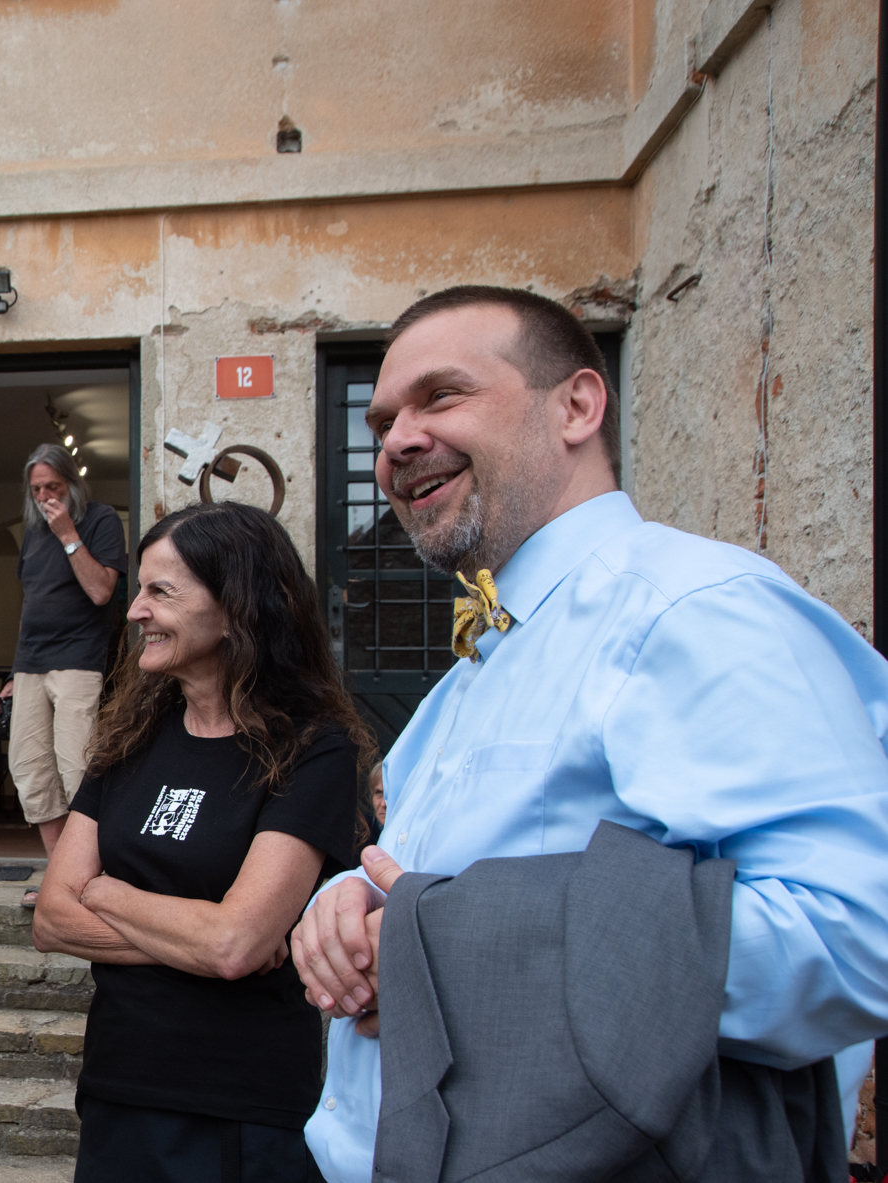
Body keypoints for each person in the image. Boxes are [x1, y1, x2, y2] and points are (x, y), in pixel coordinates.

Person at [293, 286, 888, 1180]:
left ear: (577, 405)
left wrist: (441, 950)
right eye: (383, 421)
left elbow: (854, 936)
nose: (396, 441)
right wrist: (342, 908)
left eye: (441, 397)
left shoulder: (693, 610)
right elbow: (435, 881)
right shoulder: (469, 676)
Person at [33, 501, 368, 1182]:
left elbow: (235, 943)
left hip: (241, 1109)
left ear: (237, 606)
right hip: (118, 1092)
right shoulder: (127, 741)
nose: (134, 611)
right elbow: (51, 916)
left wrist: (104, 891)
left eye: (161, 591)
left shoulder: (314, 749)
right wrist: (207, 936)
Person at [0, 444, 127, 904]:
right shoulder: (32, 534)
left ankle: (93, 878)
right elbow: (29, 607)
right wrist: (14, 672)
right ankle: (61, 877)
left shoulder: (101, 519)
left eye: (54, 486)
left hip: (78, 662)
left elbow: (101, 591)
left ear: (73, 483)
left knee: (78, 771)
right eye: (37, 489)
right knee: (31, 772)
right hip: (31, 664)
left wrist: (68, 534)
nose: (46, 496)